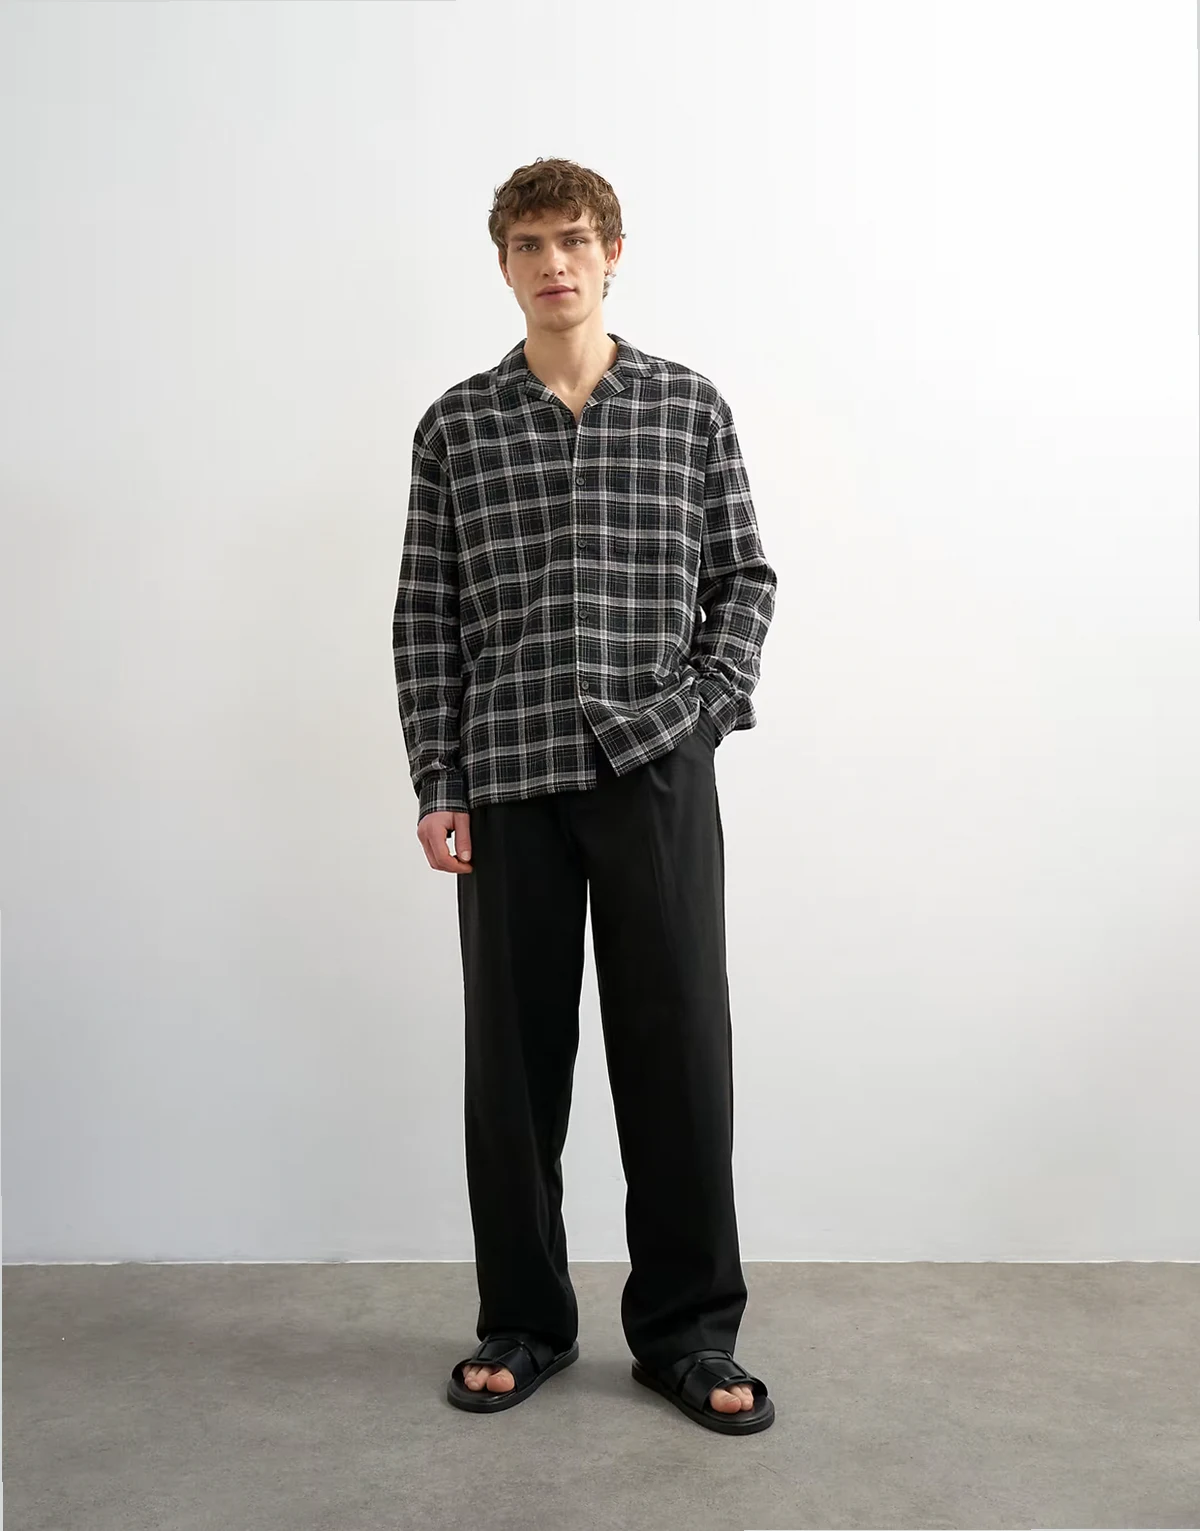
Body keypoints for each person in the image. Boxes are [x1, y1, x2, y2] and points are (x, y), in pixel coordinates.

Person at [393, 157, 778, 1435]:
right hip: (506, 776)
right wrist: (437, 780)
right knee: (511, 1068)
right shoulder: (456, 426)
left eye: (573, 239)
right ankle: (524, 1319)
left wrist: (701, 713)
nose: (553, 263)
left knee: (680, 1052)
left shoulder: (687, 406)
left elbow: (743, 578)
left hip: (653, 764)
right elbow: (427, 615)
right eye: (529, 244)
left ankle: (688, 1332)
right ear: (503, 265)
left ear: (613, 252)